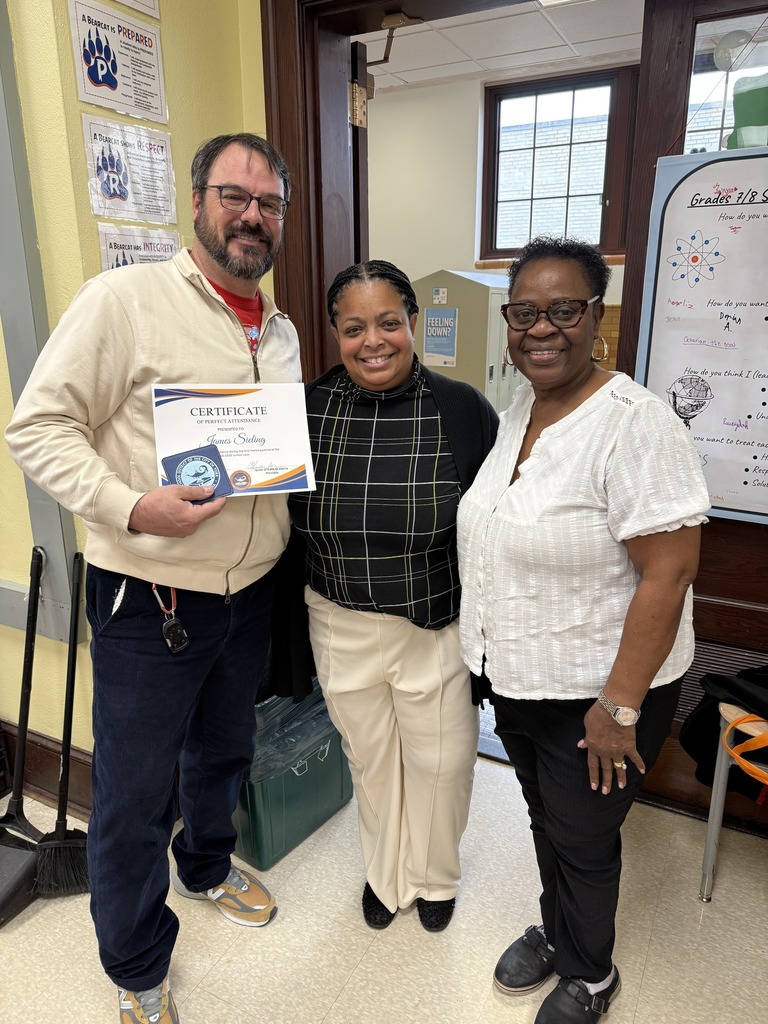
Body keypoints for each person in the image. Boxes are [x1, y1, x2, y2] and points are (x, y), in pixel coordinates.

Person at [5, 133, 301, 1024]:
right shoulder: (124, 301)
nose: (252, 215)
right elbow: (38, 427)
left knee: (224, 750)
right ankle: (136, 966)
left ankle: (207, 864)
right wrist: (133, 506)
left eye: (269, 203)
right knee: (134, 793)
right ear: (199, 202)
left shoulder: (277, 326)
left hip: (249, 593)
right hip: (151, 596)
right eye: (234, 195)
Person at [456, 237, 710, 1024]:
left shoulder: (636, 423)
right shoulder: (520, 413)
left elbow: (668, 575)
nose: (543, 328)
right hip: (524, 679)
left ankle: (592, 973)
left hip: (601, 697)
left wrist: (621, 706)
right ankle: (561, 933)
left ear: (595, 315)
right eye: (525, 312)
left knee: (585, 837)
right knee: (546, 820)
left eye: (564, 310)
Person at [288, 260, 498, 933]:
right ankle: (386, 875)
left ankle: (435, 877)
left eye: (387, 323)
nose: (372, 341)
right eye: (354, 328)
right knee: (371, 761)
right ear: (335, 334)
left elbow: (494, 523)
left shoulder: (461, 408)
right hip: (337, 620)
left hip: (432, 626)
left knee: (442, 764)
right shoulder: (306, 411)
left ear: (412, 323)